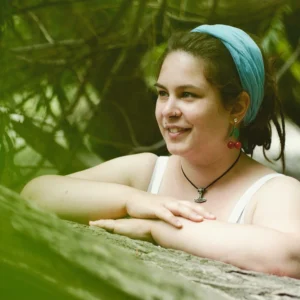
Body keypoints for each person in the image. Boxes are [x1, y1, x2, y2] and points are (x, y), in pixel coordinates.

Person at [20, 24, 300, 278]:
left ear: (237, 107)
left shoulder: (272, 191)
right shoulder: (145, 171)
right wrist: (132, 200)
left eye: (188, 94)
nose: (168, 110)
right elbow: (35, 194)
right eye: (163, 93)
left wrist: (159, 228)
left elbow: (289, 257)